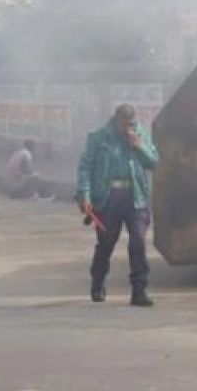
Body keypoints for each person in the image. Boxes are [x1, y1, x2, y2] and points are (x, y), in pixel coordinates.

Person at [77, 104, 159, 307]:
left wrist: (139, 146)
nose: (129, 128)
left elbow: (153, 162)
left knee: (138, 241)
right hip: (108, 197)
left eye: (132, 124)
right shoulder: (99, 138)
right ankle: (97, 283)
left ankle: (139, 290)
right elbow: (85, 167)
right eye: (125, 124)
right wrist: (85, 195)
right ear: (116, 120)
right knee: (106, 243)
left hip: (135, 196)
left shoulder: (140, 134)